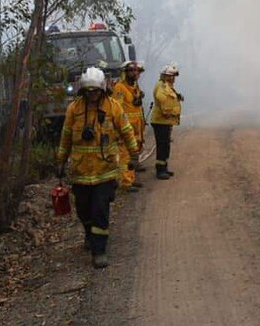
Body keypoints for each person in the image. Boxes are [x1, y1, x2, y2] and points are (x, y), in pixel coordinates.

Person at [56, 67, 139, 268]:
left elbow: (127, 132)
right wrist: (60, 161)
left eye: (95, 90)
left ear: (102, 89)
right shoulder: (74, 110)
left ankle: (99, 250)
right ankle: (89, 234)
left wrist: (134, 155)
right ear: (83, 90)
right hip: (81, 173)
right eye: (89, 90)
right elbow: (66, 137)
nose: (92, 94)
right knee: (84, 211)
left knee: (100, 210)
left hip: (105, 170)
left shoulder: (113, 107)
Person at [113, 61, 146, 192]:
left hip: (137, 126)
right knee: (125, 155)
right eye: (132, 71)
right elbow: (117, 108)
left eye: (136, 71)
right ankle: (126, 182)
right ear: (125, 72)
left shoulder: (135, 86)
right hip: (126, 127)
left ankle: (131, 178)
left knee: (134, 153)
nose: (135, 73)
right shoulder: (119, 88)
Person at [150, 64, 183, 180]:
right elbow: (162, 99)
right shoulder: (162, 86)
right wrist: (170, 111)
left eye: (173, 77)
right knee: (162, 145)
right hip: (160, 121)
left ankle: (164, 167)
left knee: (165, 145)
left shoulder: (167, 86)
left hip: (165, 121)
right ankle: (160, 170)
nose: (172, 79)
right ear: (164, 76)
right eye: (170, 76)